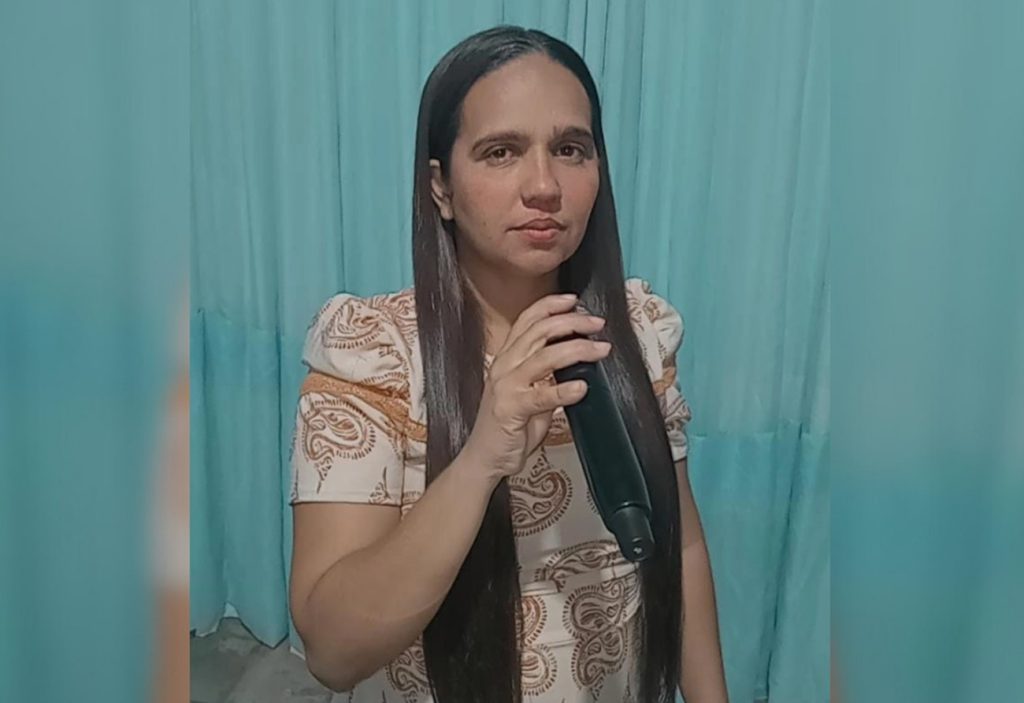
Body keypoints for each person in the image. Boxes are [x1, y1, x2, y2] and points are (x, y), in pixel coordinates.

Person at [288, 26, 728, 703]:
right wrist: (481, 458)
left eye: (571, 149)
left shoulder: (638, 333)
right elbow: (333, 652)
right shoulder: (374, 356)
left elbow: (683, 549)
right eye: (501, 152)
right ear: (440, 186)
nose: (544, 185)